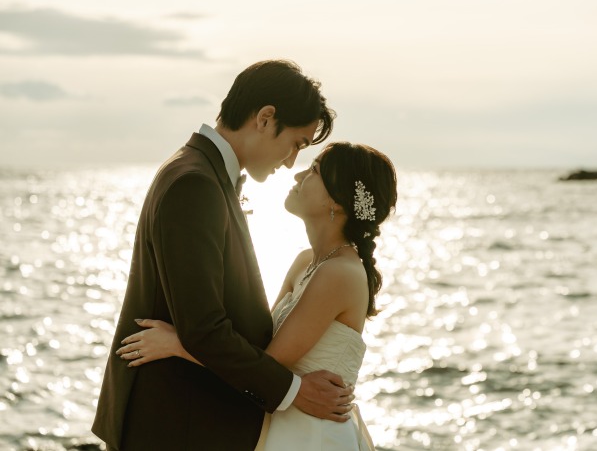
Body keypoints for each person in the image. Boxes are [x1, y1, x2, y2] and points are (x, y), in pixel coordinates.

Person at [92, 60, 352, 451]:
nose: (290, 162)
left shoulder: (199, 171)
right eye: (296, 144)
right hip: (176, 424)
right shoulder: (195, 183)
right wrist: (294, 391)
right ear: (265, 118)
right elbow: (204, 329)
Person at [116, 141, 398, 450]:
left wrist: (178, 344)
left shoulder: (340, 274)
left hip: (312, 435)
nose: (298, 175)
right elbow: (259, 344)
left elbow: (268, 361)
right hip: (281, 425)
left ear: (338, 201)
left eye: (314, 170)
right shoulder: (307, 261)